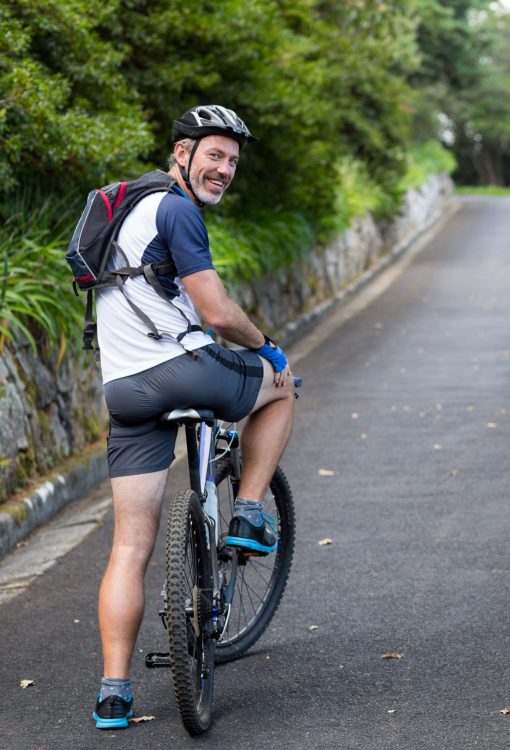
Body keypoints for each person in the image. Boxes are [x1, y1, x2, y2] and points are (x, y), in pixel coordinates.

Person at [91, 105, 296, 729]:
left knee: (130, 545)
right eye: (214, 155)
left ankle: (114, 694)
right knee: (282, 388)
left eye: (233, 161)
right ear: (181, 152)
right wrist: (265, 347)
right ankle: (250, 512)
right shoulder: (176, 209)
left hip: (123, 389)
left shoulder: (129, 210)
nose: (225, 169)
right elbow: (216, 313)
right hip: (180, 369)